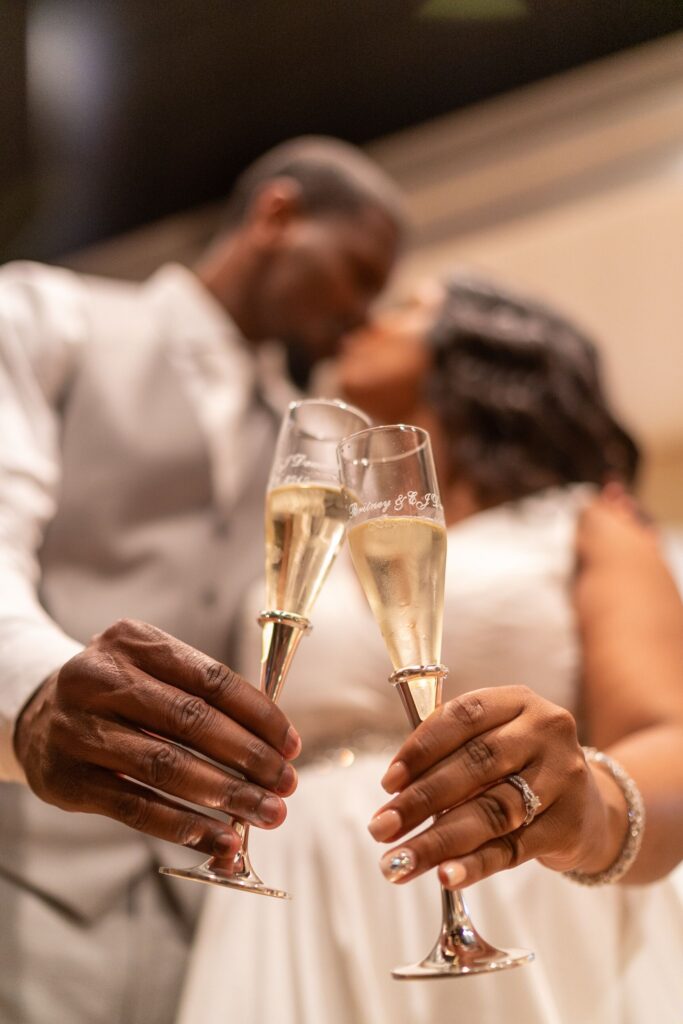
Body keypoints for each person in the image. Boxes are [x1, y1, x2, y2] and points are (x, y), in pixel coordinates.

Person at [177, 275, 683, 1024]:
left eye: (406, 308)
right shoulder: (313, 534)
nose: (360, 320)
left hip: (513, 887)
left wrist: (590, 812)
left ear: (488, 350)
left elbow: (664, 735)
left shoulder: (582, 522)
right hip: (299, 899)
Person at [0, 136, 404, 1024]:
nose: (361, 315)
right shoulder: (47, 315)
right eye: (356, 273)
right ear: (277, 215)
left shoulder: (305, 435)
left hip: (207, 903)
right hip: (25, 859)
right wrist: (35, 698)